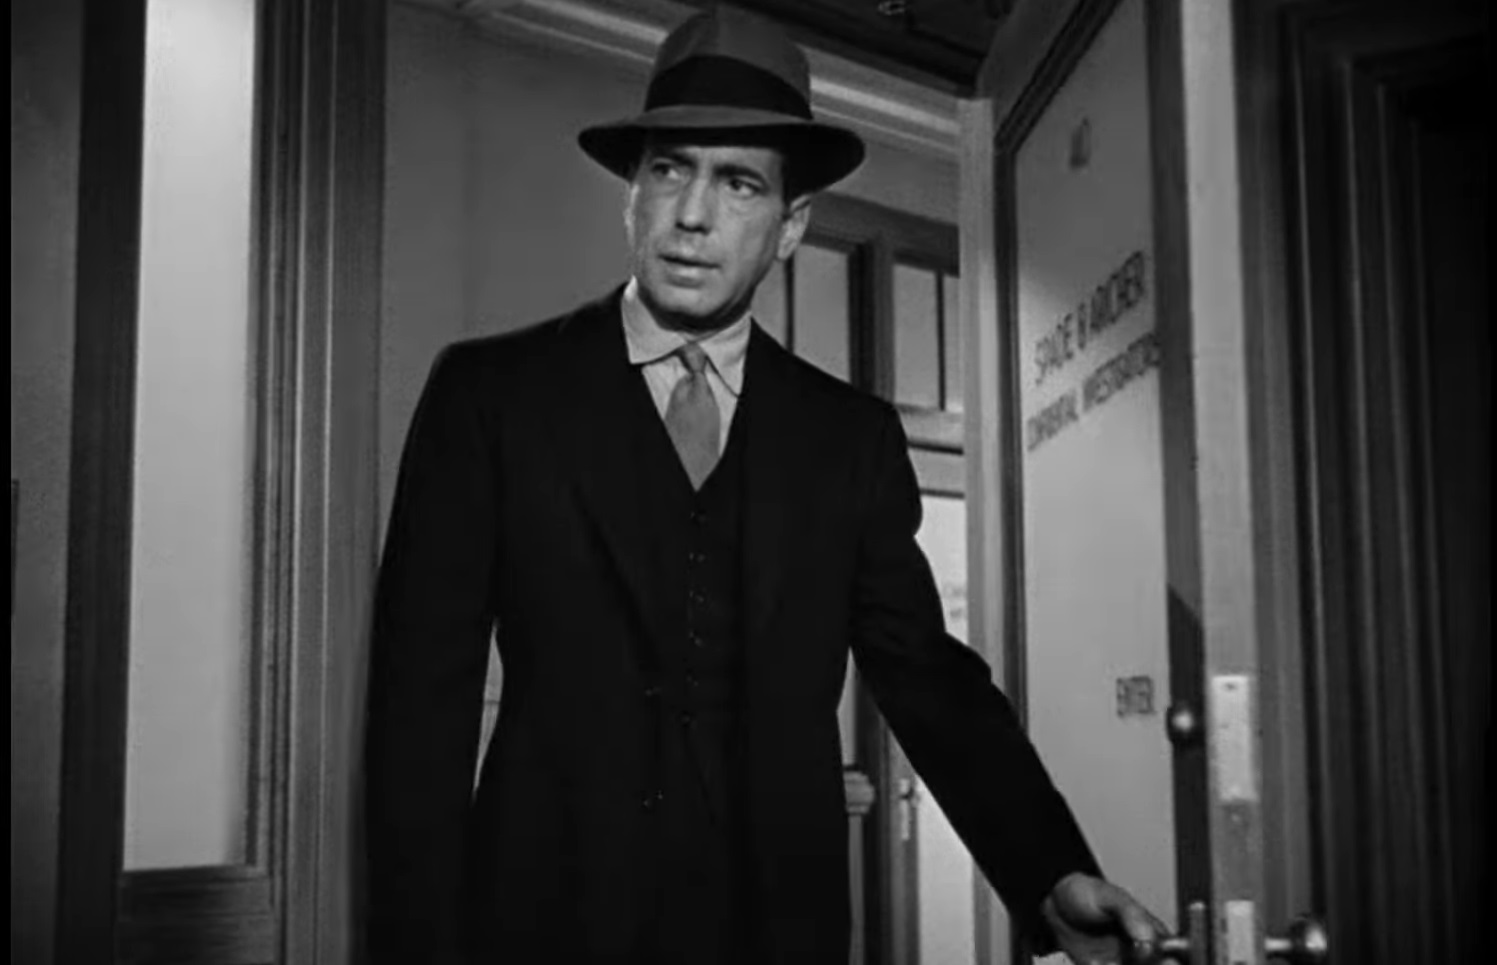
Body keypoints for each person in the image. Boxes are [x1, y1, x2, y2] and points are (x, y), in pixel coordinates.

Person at [365, 8, 1168, 965]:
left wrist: (1047, 869)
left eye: (738, 182)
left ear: (790, 226)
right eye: (670, 171)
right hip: (542, 925)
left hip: (776, 932)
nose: (692, 215)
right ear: (631, 195)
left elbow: (925, 676)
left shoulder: (848, 439)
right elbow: (418, 710)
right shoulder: (491, 395)